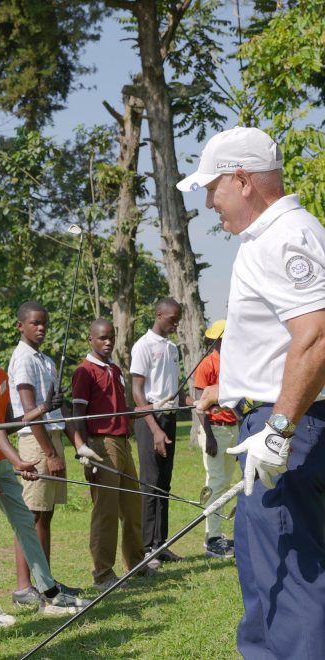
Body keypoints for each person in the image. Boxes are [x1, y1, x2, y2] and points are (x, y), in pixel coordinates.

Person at [181, 126, 325, 658]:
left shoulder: (286, 236)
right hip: (279, 420)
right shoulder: (272, 237)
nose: (209, 201)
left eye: (211, 187)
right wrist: (230, 385)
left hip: (290, 430)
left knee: (289, 587)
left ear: (242, 180)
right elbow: (286, 342)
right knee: (268, 581)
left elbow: (318, 335)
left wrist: (279, 430)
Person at [0, 315, 93, 624]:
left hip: (2, 460)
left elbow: (6, 424)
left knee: (26, 522)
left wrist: (43, 409)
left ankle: (48, 593)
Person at [7, 301, 100, 597]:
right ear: (21, 325)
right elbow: (29, 410)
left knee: (45, 515)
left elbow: (60, 410)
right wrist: (48, 453)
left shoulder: (45, 360)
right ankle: (25, 586)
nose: (41, 327)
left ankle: (46, 580)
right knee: (31, 515)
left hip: (53, 437)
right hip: (37, 442)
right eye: (34, 323)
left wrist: (78, 444)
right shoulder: (23, 359)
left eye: (44, 322)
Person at [72, 319, 155, 589]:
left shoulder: (116, 369)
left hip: (122, 442)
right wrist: (83, 451)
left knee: (132, 507)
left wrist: (141, 409)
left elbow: (120, 408)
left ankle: (137, 564)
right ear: (91, 339)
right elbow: (77, 416)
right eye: (102, 338)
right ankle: (103, 575)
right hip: (101, 444)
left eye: (111, 338)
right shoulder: (85, 372)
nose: (108, 343)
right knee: (105, 512)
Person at [130, 297, 189, 565]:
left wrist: (193, 402)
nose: (176, 323)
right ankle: (145, 548)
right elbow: (137, 391)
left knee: (164, 483)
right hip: (149, 419)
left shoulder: (172, 348)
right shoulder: (143, 346)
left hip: (169, 418)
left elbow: (174, 390)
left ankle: (160, 543)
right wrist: (154, 430)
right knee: (150, 482)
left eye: (178, 319)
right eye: (172, 319)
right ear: (159, 314)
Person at [192, 319, 237, 559]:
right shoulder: (207, 364)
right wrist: (208, 436)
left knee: (227, 484)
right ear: (217, 340)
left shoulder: (235, 363)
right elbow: (200, 406)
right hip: (215, 429)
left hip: (233, 427)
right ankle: (212, 538)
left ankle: (218, 534)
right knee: (216, 482)